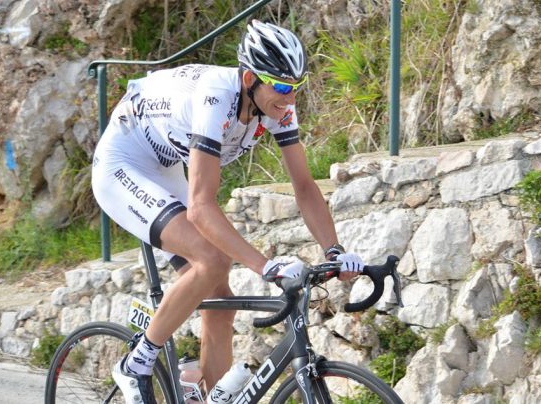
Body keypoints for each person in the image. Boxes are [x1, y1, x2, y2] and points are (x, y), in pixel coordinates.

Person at [91, 20, 364, 404]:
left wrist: (334, 251)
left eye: (297, 88)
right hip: (123, 164)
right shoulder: (215, 97)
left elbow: (304, 186)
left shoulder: (277, 106)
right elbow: (201, 208)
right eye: (283, 87)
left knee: (220, 306)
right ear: (251, 77)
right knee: (211, 260)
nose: (290, 98)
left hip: (166, 165)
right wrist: (265, 266)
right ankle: (136, 364)